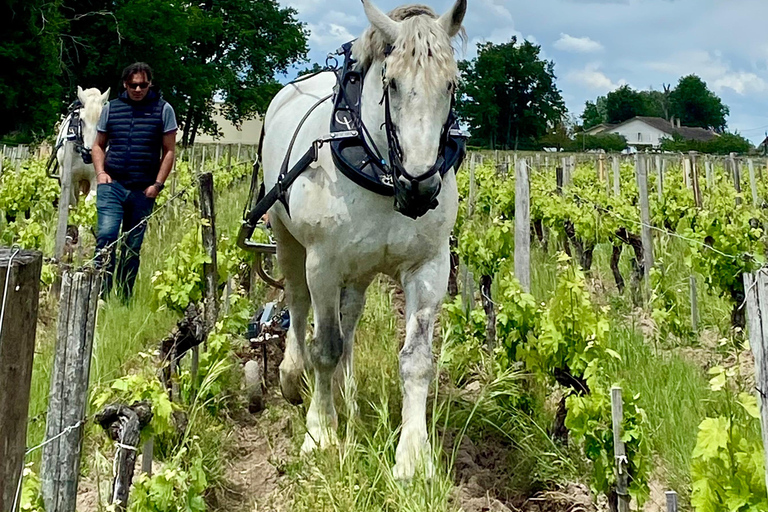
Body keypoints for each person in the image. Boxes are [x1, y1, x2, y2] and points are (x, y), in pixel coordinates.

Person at [92, 62, 177, 300]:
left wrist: (157, 185)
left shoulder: (163, 110)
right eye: (133, 85)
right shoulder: (111, 108)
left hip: (143, 190)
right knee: (107, 237)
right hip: (113, 185)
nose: (137, 89)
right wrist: (101, 174)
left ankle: (124, 297)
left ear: (150, 84)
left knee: (132, 246)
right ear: (125, 84)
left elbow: (169, 151)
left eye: (142, 85)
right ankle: (102, 295)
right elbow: (98, 146)